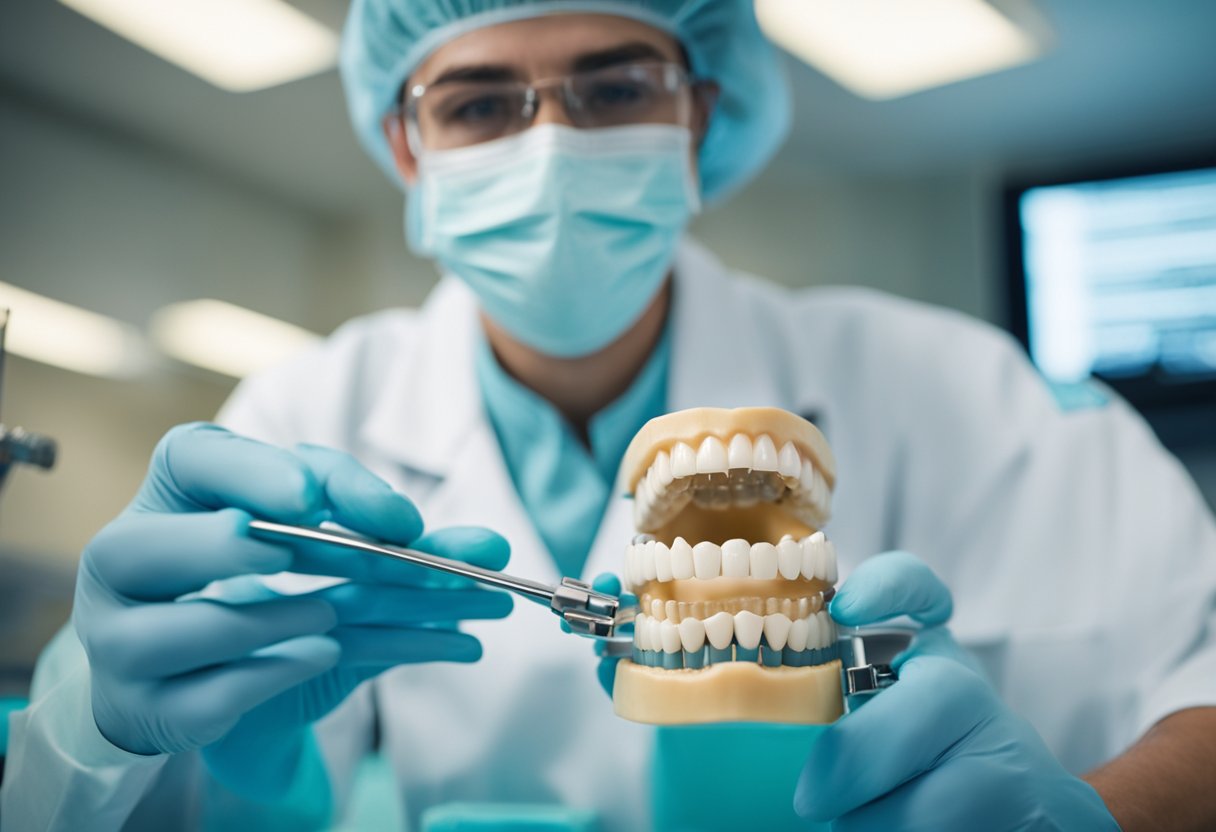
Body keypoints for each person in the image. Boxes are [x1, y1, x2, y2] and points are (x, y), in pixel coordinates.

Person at [4, 1, 1216, 830]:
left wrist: (1097, 818)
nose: (550, 146)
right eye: (477, 104)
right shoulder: (306, 410)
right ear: (406, 146)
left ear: (697, 110)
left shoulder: (974, 392)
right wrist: (106, 727)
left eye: (614, 86)